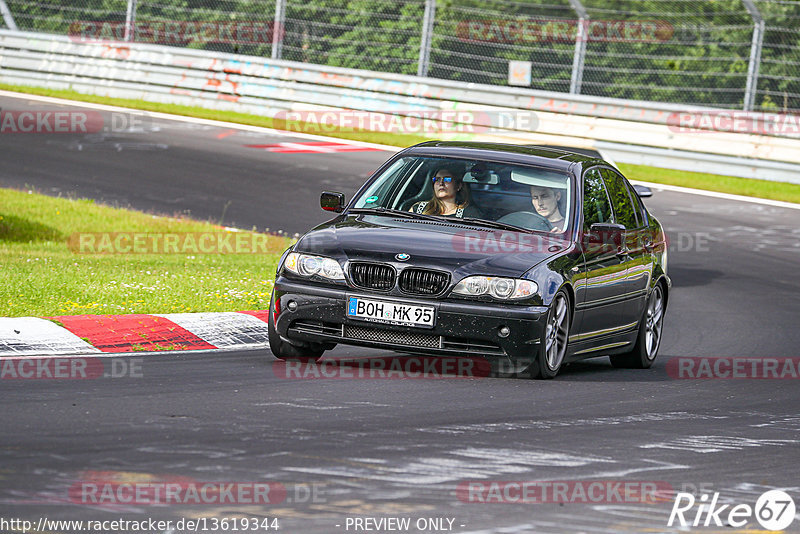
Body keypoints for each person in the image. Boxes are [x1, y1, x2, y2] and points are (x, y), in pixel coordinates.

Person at [409, 166, 482, 218]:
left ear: (458, 186)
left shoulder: (469, 215)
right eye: (437, 179)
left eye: (447, 179)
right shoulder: (418, 209)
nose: (441, 183)